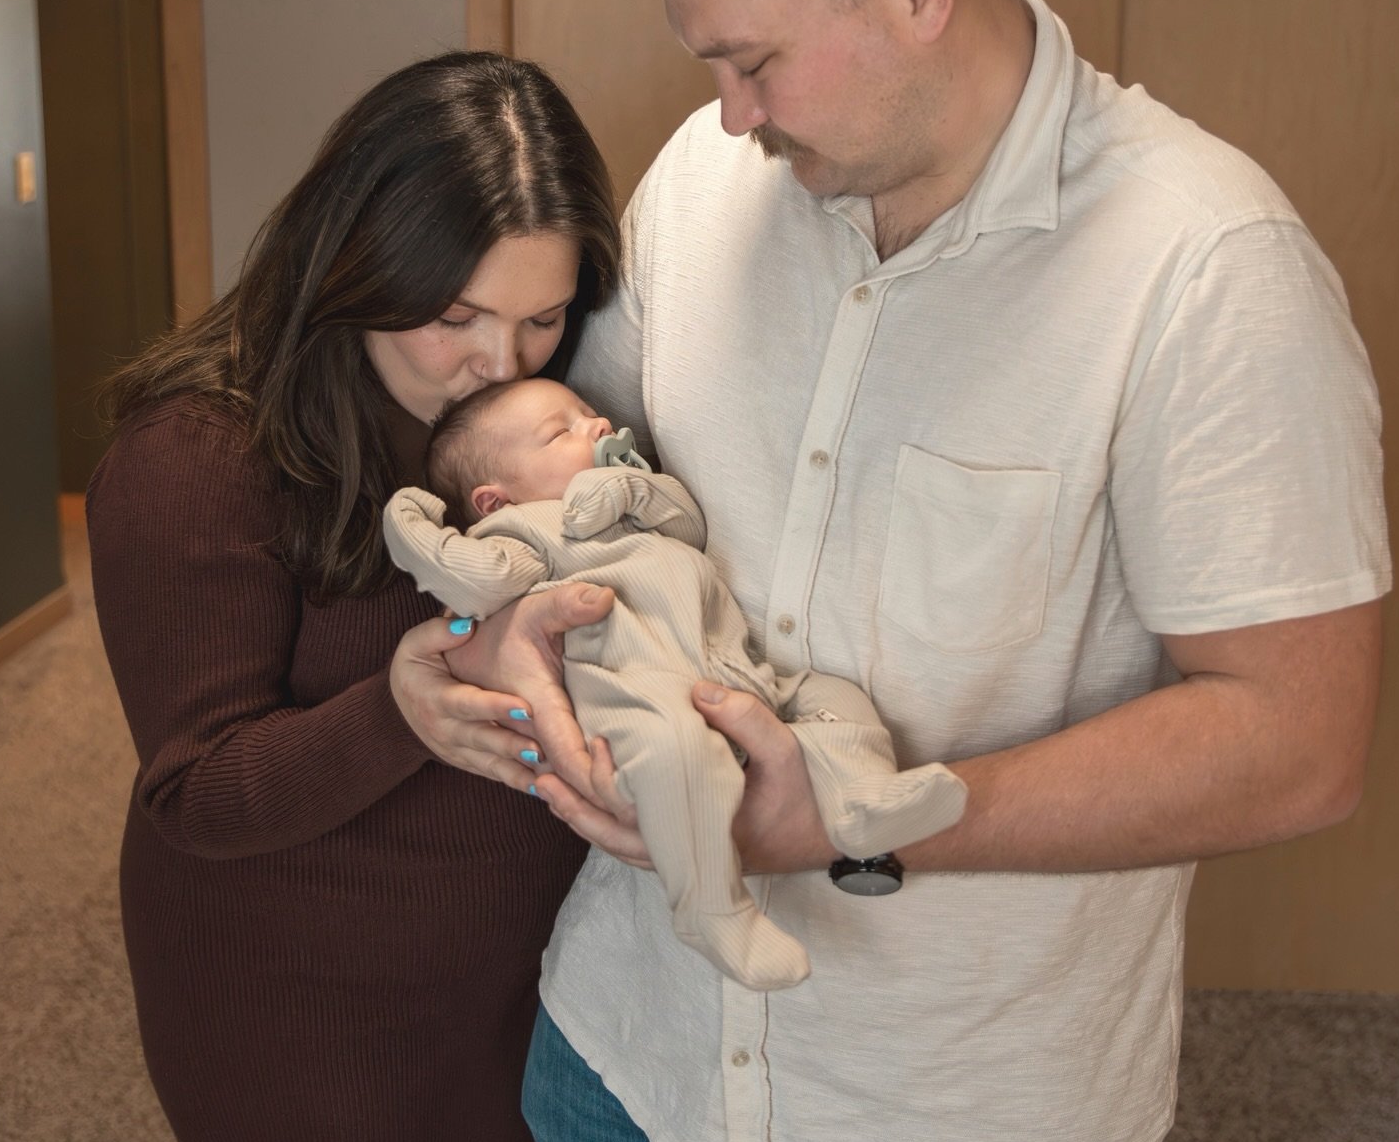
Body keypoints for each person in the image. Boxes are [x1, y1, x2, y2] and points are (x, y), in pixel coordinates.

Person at [451, 0, 1391, 1142]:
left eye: (752, 60)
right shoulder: (698, 184)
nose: (723, 117)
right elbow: (568, 482)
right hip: (638, 1057)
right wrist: (505, 630)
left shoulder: (1211, 272)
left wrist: (874, 822)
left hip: (977, 1124)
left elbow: (1297, 737)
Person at [86, 52, 624, 1142]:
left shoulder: (530, 427)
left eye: (541, 323)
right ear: (357, 258)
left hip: (501, 993)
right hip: (300, 1015)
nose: (492, 366)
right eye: (452, 314)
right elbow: (198, 790)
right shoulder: (195, 458)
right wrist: (396, 705)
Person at [382, 376, 966, 990]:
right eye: (562, 432)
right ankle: (710, 909)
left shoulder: (639, 507)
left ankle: (861, 800)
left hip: (741, 673)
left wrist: (627, 487)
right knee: (681, 757)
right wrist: (411, 520)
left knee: (835, 699)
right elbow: (471, 580)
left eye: (590, 415)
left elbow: (688, 525)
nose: (598, 427)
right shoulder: (528, 533)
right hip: (636, 694)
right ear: (496, 502)